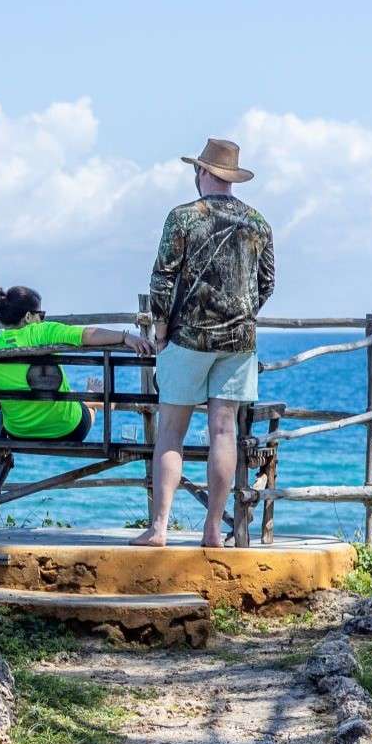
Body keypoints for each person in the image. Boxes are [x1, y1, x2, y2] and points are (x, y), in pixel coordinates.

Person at [133, 138, 275, 547]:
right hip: (239, 342)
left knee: (171, 433)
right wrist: (242, 315)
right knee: (224, 433)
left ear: (204, 173)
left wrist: (161, 330)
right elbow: (266, 284)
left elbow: (162, 278)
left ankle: (159, 528)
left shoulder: (183, 218)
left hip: (188, 337)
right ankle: (213, 529)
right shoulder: (259, 223)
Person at [0, 286, 154, 441]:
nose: (43, 319)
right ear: (29, 316)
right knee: (79, 404)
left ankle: (91, 397)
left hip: (18, 432)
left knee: (62, 395)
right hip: (67, 429)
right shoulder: (42, 332)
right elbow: (86, 335)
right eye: (41, 315)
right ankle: (96, 399)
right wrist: (125, 336)